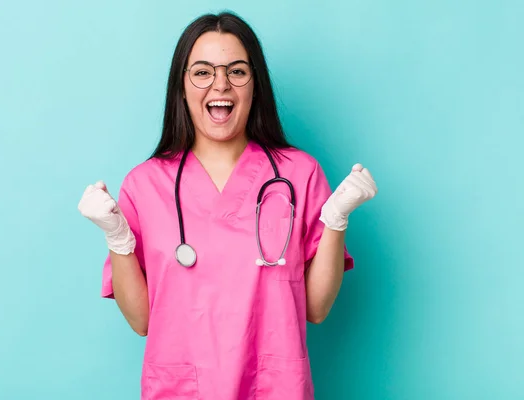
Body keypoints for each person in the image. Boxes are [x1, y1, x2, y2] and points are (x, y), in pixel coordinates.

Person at [78, 11, 377, 400]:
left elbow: (316, 308)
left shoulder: (298, 175)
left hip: (272, 388)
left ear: (256, 85)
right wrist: (117, 237)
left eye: (237, 71)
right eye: (202, 72)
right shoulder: (145, 184)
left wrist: (336, 219)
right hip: (182, 389)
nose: (221, 84)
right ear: (181, 87)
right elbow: (140, 320)